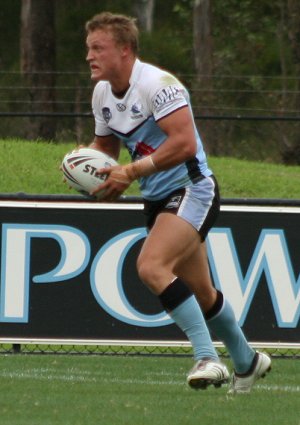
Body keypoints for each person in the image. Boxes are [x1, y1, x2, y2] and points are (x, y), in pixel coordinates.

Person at [84, 11, 271, 393]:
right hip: (157, 198)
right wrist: (87, 168)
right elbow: (105, 146)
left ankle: (207, 358)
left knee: (151, 266)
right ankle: (247, 362)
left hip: (193, 189)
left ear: (125, 50)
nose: (90, 56)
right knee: (202, 295)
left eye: (98, 48)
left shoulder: (158, 85)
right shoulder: (102, 92)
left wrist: (131, 172)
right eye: (88, 48)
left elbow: (184, 143)